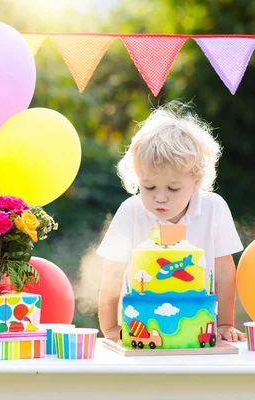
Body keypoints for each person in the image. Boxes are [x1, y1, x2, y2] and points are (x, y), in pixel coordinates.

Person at [97, 100, 246, 343]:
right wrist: (111, 328)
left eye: (174, 188)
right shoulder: (130, 211)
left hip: (197, 330)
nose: (160, 197)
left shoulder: (214, 207)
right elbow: (111, 275)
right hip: (142, 330)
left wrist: (225, 323)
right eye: (149, 186)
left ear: (196, 181)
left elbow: (224, 272)